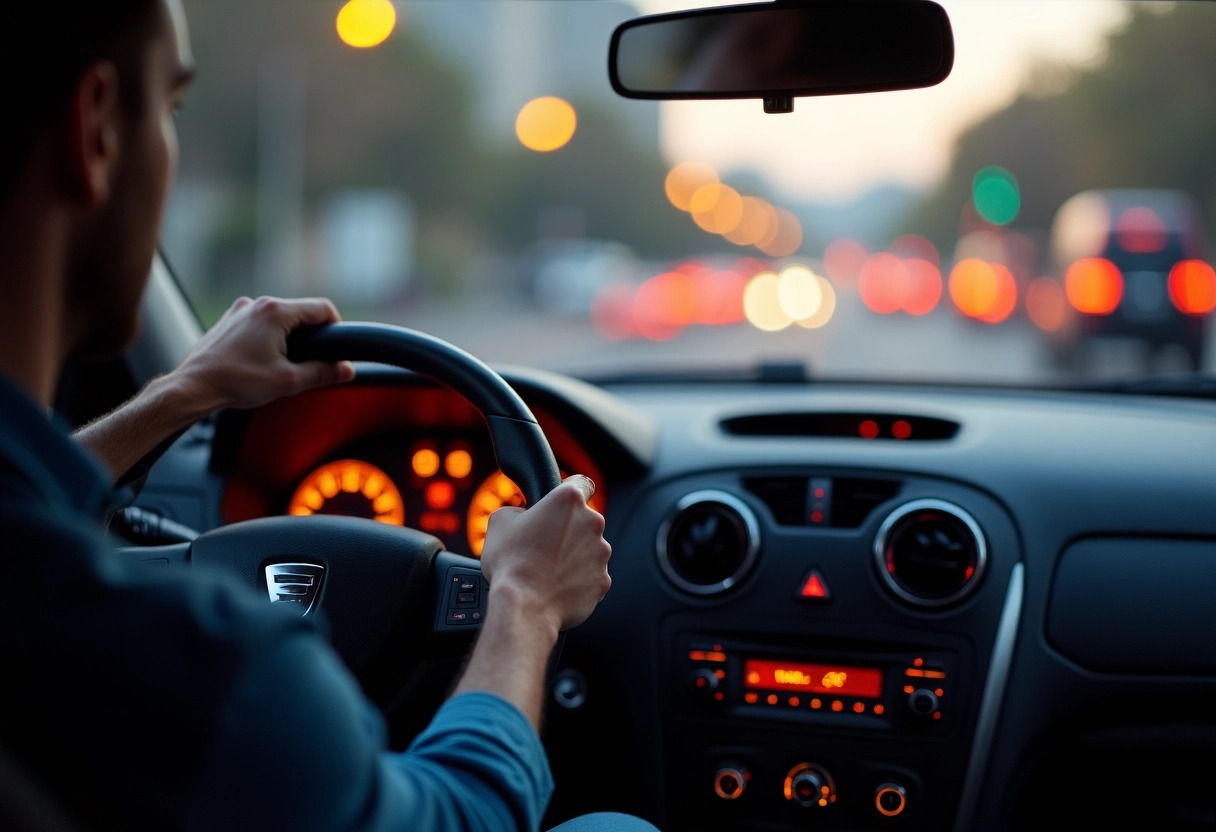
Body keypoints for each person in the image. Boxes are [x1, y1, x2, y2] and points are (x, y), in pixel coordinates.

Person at [0, 2, 659, 831]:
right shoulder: (212, 672)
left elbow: (19, 502)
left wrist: (183, 391)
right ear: (95, 128)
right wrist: (524, 597)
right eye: (170, 109)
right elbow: (462, 816)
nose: (172, 142)